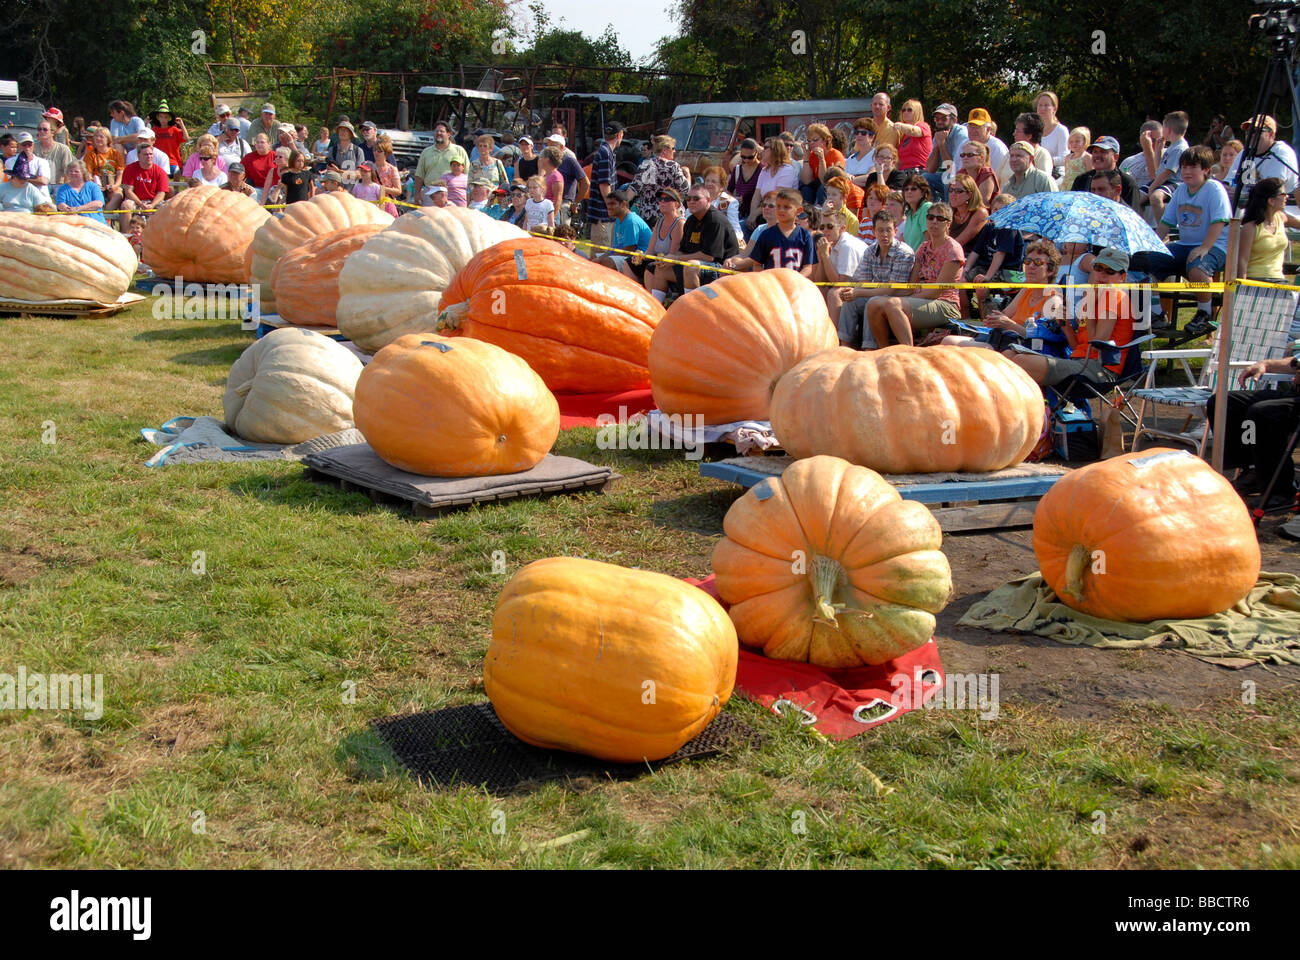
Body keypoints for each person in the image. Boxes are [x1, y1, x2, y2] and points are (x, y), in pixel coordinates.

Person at [1004, 246, 1135, 386]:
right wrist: (1065, 324)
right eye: (1098, 268)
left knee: (1020, 362)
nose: (1102, 274)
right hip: (1079, 361)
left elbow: (1097, 346)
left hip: (1100, 369)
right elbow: (1077, 347)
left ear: (1123, 277)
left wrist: (1089, 309)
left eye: (1110, 271)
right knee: (1007, 356)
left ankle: (1039, 405)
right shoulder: (1094, 296)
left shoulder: (1114, 296)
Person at [863, 202, 964, 346]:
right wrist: (893, 293)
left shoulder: (953, 249)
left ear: (948, 224)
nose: (934, 221)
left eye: (940, 219)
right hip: (921, 299)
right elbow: (910, 284)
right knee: (874, 303)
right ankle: (883, 349)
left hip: (945, 303)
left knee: (893, 304)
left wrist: (905, 298)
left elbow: (936, 291)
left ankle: (908, 351)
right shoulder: (923, 247)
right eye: (930, 217)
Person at [1210, 356, 1300, 505]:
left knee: (1263, 412)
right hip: (1294, 393)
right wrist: (1265, 364)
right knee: (1222, 402)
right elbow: (1294, 362)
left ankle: (1281, 490)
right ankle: (1253, 470)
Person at [1156, 145, 1230, 327]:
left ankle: (1205, 312)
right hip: (1185, 244)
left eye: (1193, 167)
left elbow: (1219, 222)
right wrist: (1153, 245)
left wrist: (1204, 247)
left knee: (1198, 267)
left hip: (1215, 245)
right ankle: (1157, 313)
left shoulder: (1214, 189)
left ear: (1205, 169)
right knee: (1147, 262)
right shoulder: (1181, 190)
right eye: (1184, 167)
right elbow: (1166, 222)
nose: (1187, 171)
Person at [944, 240, 1062, 348]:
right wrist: (982, 298)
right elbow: (1004, 315)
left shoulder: (1054, 298)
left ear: (1050, 270)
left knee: (957, 346)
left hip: (1021, 347)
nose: (1030, 266)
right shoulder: (1027, 289)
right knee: (948, 341)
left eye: (1037, 262)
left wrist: (1009, 324)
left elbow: (1041, 337)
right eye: (1027, 261)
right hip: (1004, 339)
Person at [836, 210, 914, 347]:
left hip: (897, 297)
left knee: (872, 301)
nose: (884, 235)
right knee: (850, 300)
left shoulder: (904, 253)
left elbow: (891, 289)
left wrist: (858, 292)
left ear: (895, 231)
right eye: (880, 230)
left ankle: (869, 347)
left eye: (888, 230)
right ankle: (844, 344)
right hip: (878, 293)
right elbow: (865, 283)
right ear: (873, 232)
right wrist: (852, 291)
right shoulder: (870, 251)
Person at [649, 183, 738, 294]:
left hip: (722, 269)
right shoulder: (691, 220)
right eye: (688, 198)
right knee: (661, 268)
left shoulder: (714, 220)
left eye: (696, 198)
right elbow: (683, 251)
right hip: (697, 265)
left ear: (708, 200)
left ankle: (692, 308)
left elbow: (708, 256)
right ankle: (659, 308)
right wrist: (669, 259)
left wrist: (676, 259)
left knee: (691, 266)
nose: (691, 202)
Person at [724, 187, 815, 276]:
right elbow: (756, 264)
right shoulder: (765, 234)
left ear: (798, 211)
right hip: (772, 284)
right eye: (778, 206)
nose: (781, 210)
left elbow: (808, 267)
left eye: (786, 207)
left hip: (794, 284)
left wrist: (797, 279)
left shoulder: (805, 235)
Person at [1237, 177, 1300, 286]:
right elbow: (1242, 262)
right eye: (1283, 194)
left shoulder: (1280, 217)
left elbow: (1295, 222)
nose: (1287, 197)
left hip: (1280, 281)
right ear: (1271, 201)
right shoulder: (1250, 227)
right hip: (1256, 281)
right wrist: (1241, 288)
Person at [1224, 114, 1299, 200]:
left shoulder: (1281, 152)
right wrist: (1226, 188)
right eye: (1248, 131)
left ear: (1271, 134)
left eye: (1255, 131)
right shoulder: (1244, 153)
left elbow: (1272, 191)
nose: (1250, 135)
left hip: (1282, 209)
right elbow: (1229, 180)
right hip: (1250, 207)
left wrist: (1242, 195)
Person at [812, 207, 867, 315]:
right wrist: (822, 257)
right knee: (817, 290)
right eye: (822, 227)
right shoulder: (831, 243)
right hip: (850, 287)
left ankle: (837, 331)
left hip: (864, 291)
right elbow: (820, 281)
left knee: (834, 293)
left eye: (830, 226)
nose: (825, 230)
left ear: (842, 228)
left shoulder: (847, 246)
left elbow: (838, 283)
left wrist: (826, 256)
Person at [1140, 111, 1190, 222]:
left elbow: (1167, 173)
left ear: (1168, 130)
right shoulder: (1172, 146)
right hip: (1162, 181)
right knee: (1135, 198)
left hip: (1174, 183)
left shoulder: (1179, 148)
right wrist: (1159, 150)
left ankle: (1164, 230)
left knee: (1156, 198)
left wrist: (1153, 187)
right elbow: (1158, 169)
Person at [636, 189, 686, 298]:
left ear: (677, 204)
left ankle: (652, 302)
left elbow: (673, 254)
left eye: (667, 199)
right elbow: (650, 250)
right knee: (630, 264)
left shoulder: (679, 224)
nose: (662, 202)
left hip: (671, 263)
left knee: (650, 268)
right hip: (659, 261)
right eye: (660, 199)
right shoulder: (660, 221)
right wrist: (641, 256)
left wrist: (654, 260)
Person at [633, 134, 690, 225]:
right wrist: (688, 175)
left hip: (647, 217)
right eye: (673, 148)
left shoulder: (644, 165)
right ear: (665, 150)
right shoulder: (673, 166)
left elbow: (634, 188)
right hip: (669, 217)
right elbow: (685, 190)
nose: (675, 151)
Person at [596, 188, 653, 277]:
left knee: (607, 262)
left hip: (640, 261)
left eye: (613, 204)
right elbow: (615, 248)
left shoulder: (631, 221)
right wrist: (599, 258)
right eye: (608, 204)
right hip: (627, 256)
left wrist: (602, 259)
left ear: (623, 204)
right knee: (593, 258)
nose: (609, 207)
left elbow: (628, 251)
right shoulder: (619, 220)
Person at [1069, 136, 1138, 208]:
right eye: (1095, 152)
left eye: (1103, 152)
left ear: (1116, 157)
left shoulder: (1127, 182)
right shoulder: (1082, 179)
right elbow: (1072, 207)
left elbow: (1133, 214)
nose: (1097, 156)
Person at [117, 142, 170, 232]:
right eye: (145, 154)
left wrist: (152, 205)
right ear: (139, 155)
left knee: (167, 207)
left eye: (150, 154)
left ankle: (162, 238)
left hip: (153, 201)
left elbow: (161, 193)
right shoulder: (130, 169)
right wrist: (141, 204)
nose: (149, 156)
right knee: (126, 205)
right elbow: (128, 190)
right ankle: (127, 236)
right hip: (136, 201)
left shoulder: (160, 172)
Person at [587, 121, 623, 249]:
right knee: (601, 257)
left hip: (602, 215)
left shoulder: (604, 151)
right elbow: (604, 185)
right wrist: (612, 208)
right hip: (602, 216)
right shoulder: (605, 153)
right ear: (619, 135)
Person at [413, 121, 469, 205]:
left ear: (449, 134)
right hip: (430, 194)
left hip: (453, 194)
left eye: (442, 131)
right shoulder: (426, 152)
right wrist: (417, 193)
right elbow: (419, 175)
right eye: (436, 131)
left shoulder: (459, 150)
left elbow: (467, 173)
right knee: (429, 218)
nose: (438, 133)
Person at [996, 112, 1053, 183]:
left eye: (1018, 131)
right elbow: (996, 179)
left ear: (1029, 136)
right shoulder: (1011, 153)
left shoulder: (1042, 155)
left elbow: (1043, 183)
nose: (1014, 134)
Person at [925, 102, 967, 200]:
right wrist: (937, 146)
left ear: (954, 120)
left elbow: (952, 168)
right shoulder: (939, 134)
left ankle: (949, 212)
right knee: (924, 178)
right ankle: (932, 211)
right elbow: (930, 169)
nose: (939, 122)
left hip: (964, 177)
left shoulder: (962, 135)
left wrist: (942, 144)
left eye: (944, 119)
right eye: (937, 119)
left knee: (948, 179)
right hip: (951, 174)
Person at [799, 123, 845, 202]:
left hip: (834, 188)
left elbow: (824, 180)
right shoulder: (812, 155)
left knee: (823, 188)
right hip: (816, 186)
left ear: (825, 140)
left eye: (815, 140)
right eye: (809, 141)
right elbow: (806, 181)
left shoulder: (836, 155)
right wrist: (806, 158)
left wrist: (821, 160)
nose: (811, 143)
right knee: (805, 189)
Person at [946, 173, 989, 254]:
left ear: (969, 195)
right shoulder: (949, 212)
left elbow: (961, 241)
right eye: (951, 190)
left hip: (973, 259)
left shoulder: (980, 213)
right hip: (952, 254)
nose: (953, 195)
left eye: (958, 191)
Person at [726, 138, 763, 231]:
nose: (746, 160)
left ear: (756, 153)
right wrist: (734, 199)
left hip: (755, 216)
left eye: (750, 157)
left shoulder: (763, 170)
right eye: (743, 157)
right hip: (737, 213)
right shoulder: (737, 169)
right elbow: (728, 191)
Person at [702, 164, 744, 243]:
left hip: (721, 242)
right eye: (707, 181)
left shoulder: (729, 202)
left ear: (722, 186)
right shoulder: (699, 199)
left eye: (713, 181)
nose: (709, 184)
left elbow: (736, 230)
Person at [1120, 120, 1163, 193]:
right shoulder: (1128, 162)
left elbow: (1155, 177)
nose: (1157, 143)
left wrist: (1148, 149)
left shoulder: (1169, 156)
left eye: (1160, 140)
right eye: (1152, 140)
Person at [966, 108, 1008, 177]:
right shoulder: (964, 144)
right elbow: (956, 169)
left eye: (977, 127)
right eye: (971, 126)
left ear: (988, 129)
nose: (973, 130)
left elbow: (996, 178)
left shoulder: (997, 148)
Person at [149, 102, 187, 176]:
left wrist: (181, 124)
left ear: (169, 118)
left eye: (166, 117)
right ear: (158, 117)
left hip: (172, 161)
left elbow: (186, 138)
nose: (163, 119)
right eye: (161, 117)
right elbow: (144, 140)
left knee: (177, 172)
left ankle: (176, 188)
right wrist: (145, 123)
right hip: (157, 160)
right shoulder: (153, 130)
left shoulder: (174, 130)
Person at [893, 100, 932, 173]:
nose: (905, 112)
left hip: (919, 171)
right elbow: (899, 161)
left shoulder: (924, 126)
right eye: (903, 110)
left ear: (917, 112)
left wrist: (900, 125)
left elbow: (914, 130)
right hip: (903, 172)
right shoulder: (903, 135)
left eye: (909, 110)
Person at [957, 139, 999, 205]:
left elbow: (983, 203)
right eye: (963, 155)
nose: (965, 157)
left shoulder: (986, 173)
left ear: (981, 158)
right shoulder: (961, 173)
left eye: (970, 155)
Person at [34, 117, 75, 185]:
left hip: (58, 185)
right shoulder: (33, 148)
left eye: (45, 129)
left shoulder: (63, 149)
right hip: (38, 185)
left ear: (52, 132)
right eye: (39, 129)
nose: (41, 131)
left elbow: (68, 173)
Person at [1036, 91, 1069, 174]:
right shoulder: (1034, 130)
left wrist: (1045, 160)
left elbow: (1065, 158)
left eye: (1046, 105)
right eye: (1040, 105)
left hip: (1056, 174)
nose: (1042, 108)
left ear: (1054, 109)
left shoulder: (1061, 130)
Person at [241, 133, 280, 202]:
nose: (259, 144)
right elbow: (241, 174)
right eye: (257, 142)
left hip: (275, 188)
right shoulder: (249, 158)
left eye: (262, 142)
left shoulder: (276, 156)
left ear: (269, 144)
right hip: (257, 188)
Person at [899, 174, 933, 249]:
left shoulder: (926, 208)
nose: (909, 192)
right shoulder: (909, 213)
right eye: (906, 189)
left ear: (923, 192)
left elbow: (929, 241)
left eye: (913, 189)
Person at [372, 136, 403, 216]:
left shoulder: (392, 169)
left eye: (379, 151)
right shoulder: (370, 167)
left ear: (386, 153)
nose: (376, 153)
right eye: (374, 150)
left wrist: (382, 189)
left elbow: (398, 190)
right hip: (372, 204)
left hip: (388, 205)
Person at [845, 119, 875, 187]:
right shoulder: (851, 158)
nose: (859, 135)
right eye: (857, 132)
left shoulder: (876, 155)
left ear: (872, 137)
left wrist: (851, 181)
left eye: (863, 133)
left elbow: (870, 178)